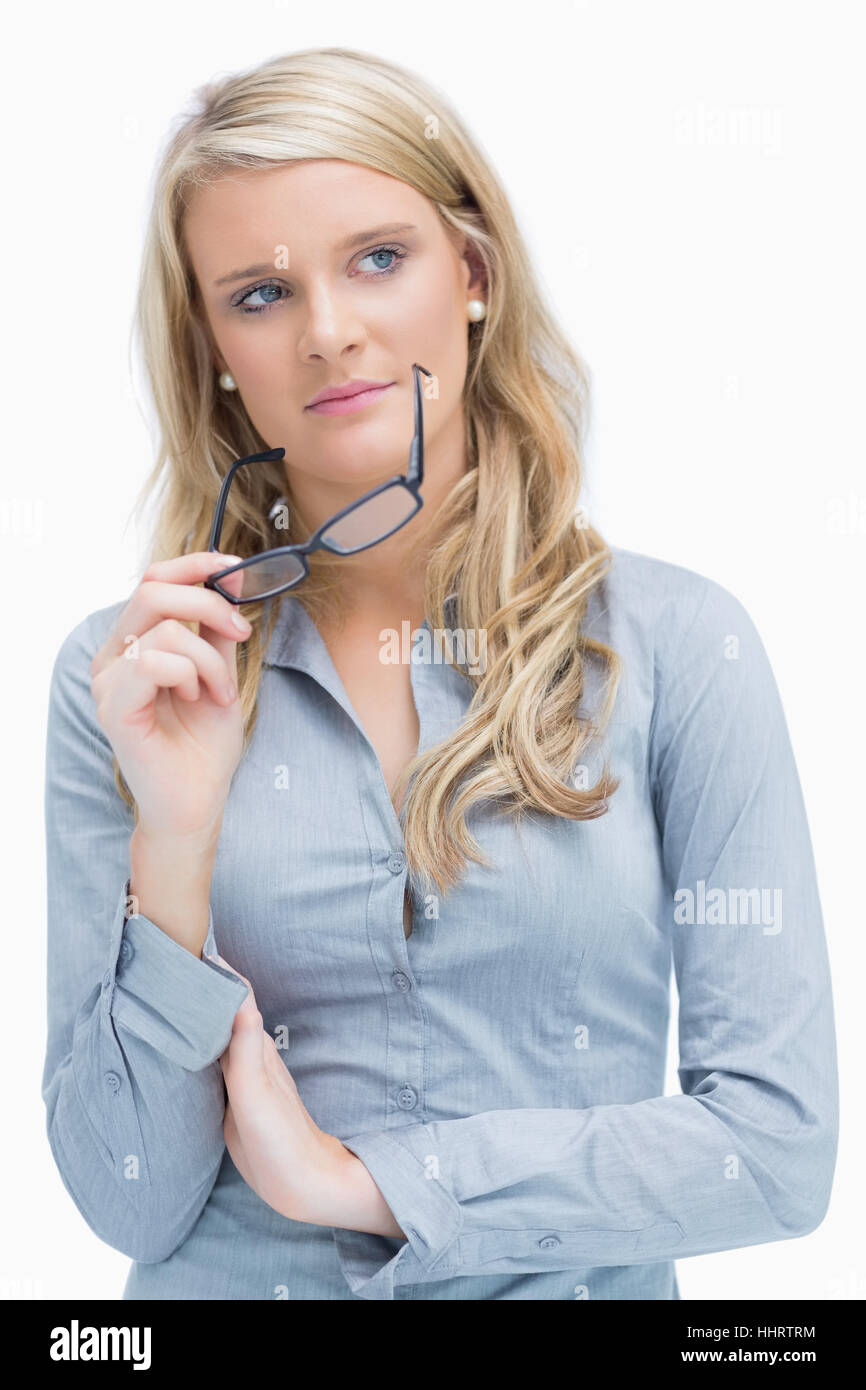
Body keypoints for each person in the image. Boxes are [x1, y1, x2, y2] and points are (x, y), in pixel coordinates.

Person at [42, 47, 838, 1301]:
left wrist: (362, 1182)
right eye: (258, 294)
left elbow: (775, 1152)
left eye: (375, 258)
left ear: (469, 275)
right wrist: (177, 838)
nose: (327, 331)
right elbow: (125, 1196)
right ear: (212, 353)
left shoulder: (683, 646)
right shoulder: (132, 678)